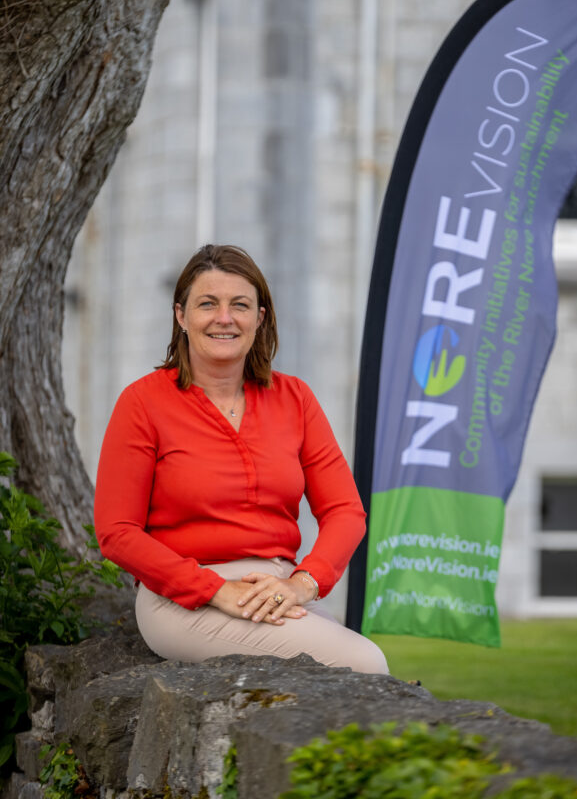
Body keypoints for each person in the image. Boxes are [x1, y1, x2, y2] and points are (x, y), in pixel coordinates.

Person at [94, 244, 388, 675]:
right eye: (207, 304)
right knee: (364, 665)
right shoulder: (143, 402)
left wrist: (303, 583)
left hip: (275, 587)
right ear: (181, 316)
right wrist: (215, 589)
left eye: (240, 305)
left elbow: (346, 511)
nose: (224, 318)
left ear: (260, 318)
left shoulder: (294, 398)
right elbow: (117, 532)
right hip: (182, 599)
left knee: (347, 665)